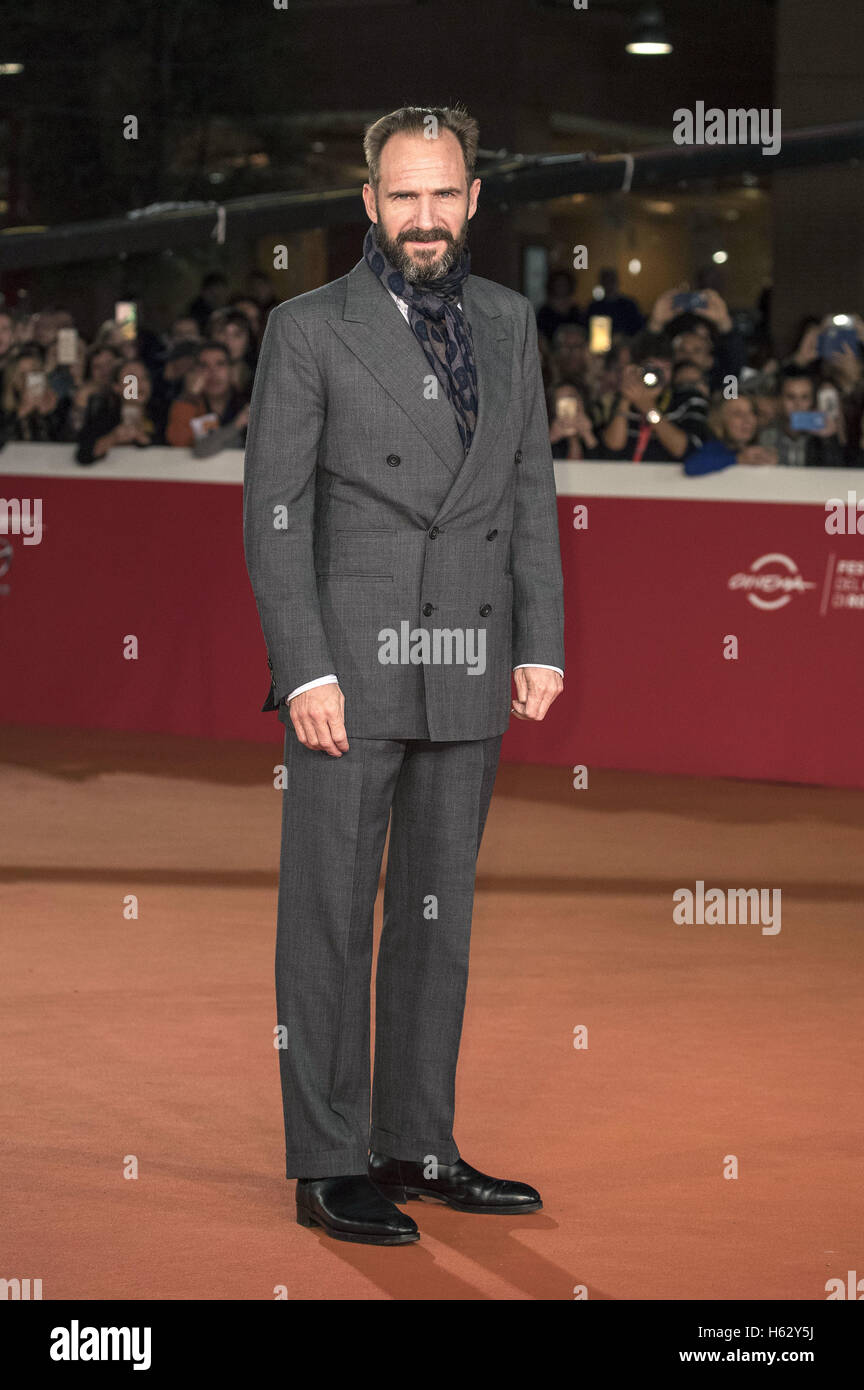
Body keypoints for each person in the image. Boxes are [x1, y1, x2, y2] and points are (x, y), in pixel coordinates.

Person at [243, 103, 565, 1247]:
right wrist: (305, 666)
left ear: (473, 199)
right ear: (368, 204)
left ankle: (415, 1141)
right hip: (353, 666)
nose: (423, 217)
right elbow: (275, 514)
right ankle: (329, 1159)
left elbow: (530, 484)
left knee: (439, 917)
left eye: (443, 194)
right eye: (402, 195)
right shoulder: (308, 327)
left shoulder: (510, 320)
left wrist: (541, 637)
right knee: (329, 917)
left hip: (471, 653)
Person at [601, 331, 708, 462]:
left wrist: (647, 407)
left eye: (666, 368)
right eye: (652, 368)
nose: (659, 375)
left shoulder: (689, 399)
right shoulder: (624, 398)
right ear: (637, 368)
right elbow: (612, 447)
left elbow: (682, 449)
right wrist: (625, 399)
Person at [75, 358, 159, 465]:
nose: (140, 384)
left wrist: (144, 438)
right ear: (117, 387)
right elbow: (84, 455)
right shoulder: (104, 417)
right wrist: (113, 438)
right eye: (131, 379)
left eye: (144, 378)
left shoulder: (161, 415)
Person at [165, 341, 248, 449]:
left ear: (231, 370)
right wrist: (189, 396)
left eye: (220, 364)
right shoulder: (189, 404)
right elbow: (178, 442)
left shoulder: (247, 402)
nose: (213, 372)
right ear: (194, 372)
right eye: (204, 366)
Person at [758, 367, 846, 467]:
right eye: (791, 397)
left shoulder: (822, 437)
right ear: (780, 400)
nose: (798, 404)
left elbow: (836, 475)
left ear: (812, 401)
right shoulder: (766, 435)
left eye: (805, 397)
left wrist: (828, 441)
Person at [684, 394, 777, 475]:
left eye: (751, 412)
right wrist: (738, 459)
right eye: (738, 414)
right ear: (720, 421)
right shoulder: (714, 448)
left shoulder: (763, 446)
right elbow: (691, 467)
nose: (748, 420)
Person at [0, 343, 70, 443]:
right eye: (23, 374)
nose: (28, 378)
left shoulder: (60, 405)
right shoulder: (4, 411)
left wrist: (49, 415)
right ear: (13, 380)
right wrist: (21, 412)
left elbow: (68, 443)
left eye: (33, 372)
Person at [547, 379, 600, 459]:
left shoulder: (599, 431)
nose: (567, 406)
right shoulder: (547, 438)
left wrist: (589, 437)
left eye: (571, 398)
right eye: (560, 402)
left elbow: (612, 467)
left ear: (581, 402)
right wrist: (550, 440)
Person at [585, 267, 644, 337]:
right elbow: (586, 331)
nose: (609, 285)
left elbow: (639, 330)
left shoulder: (629, 305)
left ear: (617, 282)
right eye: (606, 281)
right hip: (599, 346)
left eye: (611, 281)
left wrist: (625, 339)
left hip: (626, 345)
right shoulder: (594, 307)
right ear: (601, 284)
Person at [536, 269, 583, 346]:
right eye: (558, 284)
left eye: (564, 284)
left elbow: (581, 331)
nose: (561, 287)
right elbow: (540, 335)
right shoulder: (545, 311)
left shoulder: (575, 309)